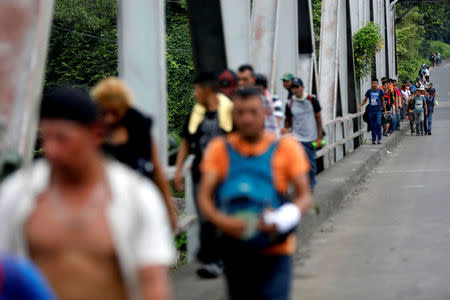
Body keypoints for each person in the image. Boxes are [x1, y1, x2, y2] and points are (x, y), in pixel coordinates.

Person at [0, 86, 176, 300]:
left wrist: (169, 210)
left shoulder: (135, 197)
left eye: (62, 139)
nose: (51, 150)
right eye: (45, 138)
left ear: (96, 134)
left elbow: (152, 283)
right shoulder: (18, 194)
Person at [198, 87, 312, 300]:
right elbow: (204, 195)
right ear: (233, 115)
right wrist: (222, 222)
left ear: (265, 114)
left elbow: (304, 195)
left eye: (253, 112)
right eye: (240, 112)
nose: (247, 119)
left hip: (275, 250)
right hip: (235, 250)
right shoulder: (219, 149)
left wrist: (282, 220)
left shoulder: (285, 148)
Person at [91, 77, 177, 230]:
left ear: (124, 108)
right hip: (106, 206)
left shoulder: (140, 127)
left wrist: (170, 211)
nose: (109, 119)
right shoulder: (94, 129)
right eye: (105, 112)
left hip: (139, 202)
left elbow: (157, 170)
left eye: (115, 113)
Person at [174, 72, 233, 278]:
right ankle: (212, 259)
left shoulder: (228, 111)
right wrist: (179, 171)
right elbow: (186, 143)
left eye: (196, 89)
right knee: (204, 215)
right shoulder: (196, 113)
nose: (194, 94)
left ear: (207, 89)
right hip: (201, 172)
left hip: (224, 173)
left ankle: (219, 259)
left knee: (220, 213)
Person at [282, 77, 323, 191]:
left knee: (310, 164)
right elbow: (288, 119)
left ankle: (311, 186)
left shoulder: (312, 99)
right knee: (297, 164)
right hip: (296, 138)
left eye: (297, 87)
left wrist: (319, 138)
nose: (295, 90)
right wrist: (285, 129)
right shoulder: (290, 103)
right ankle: (301, 188)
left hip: (310, 138)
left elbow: (318, 119)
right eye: (293, 87)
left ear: (302, 87)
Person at [237, 65, 279, 135]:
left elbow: (271, 129)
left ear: (253, 80)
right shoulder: (236, 99)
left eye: (245, 79)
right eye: (239, 79)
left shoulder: (261, 100)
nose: (241, 83)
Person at [357, 78, 385, 144]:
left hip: (378, 111)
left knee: (378, 124)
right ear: (371, 84)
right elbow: (365, 100)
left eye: (375, 83)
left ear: (377, 84)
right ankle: (374, 139)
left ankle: (379, 138)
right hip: (371, 111)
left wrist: (385, 109)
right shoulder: (369, 91)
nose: (374, 84)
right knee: (372, 125)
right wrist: (360, 105)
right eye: (373, 83)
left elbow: (383, 101)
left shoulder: (380, 91)